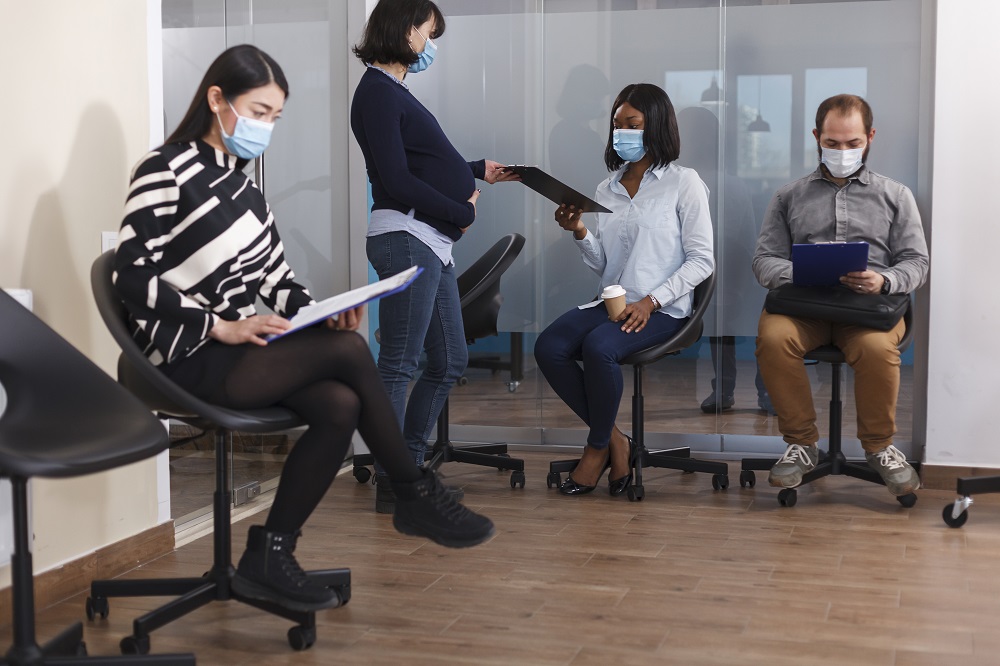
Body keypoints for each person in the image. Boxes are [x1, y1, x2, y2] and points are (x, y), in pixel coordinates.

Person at [113, 44, 495, 613]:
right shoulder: (164, 170)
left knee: (340, 403)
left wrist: (321, 308)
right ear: (217, 100)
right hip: (186, 354)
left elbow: (276, 277)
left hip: (243, 352)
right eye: (258, 111)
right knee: (347, 353)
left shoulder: (245, 191)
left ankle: (270, 551)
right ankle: (412, 489)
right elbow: (128, 275)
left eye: (274, 117)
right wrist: (218, 325)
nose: (265, 127)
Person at [350, 0, 517, 513]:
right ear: (404, 32)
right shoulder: (377, 94)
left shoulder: (393, 93)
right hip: (407, 236)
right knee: (400, 362)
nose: (430, 45)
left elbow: (418, 161)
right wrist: (460, 211)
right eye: (427, 33)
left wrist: (470, 169)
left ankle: (410, 468)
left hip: (428, 241)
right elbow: (396, 180)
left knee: (449, 360)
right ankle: (397, 483)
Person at [534, 83, 714, 497]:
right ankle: (618, 440)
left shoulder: (684, 184)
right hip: (612, 299)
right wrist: (579, 230)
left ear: (656, 127)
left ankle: (596, 449)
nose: (622, 133)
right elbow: (605, 264)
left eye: (632, 124)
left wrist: (652, 301)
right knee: (549, 346)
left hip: (663, 308)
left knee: (600, 347)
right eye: (617, 125)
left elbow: (703, 261)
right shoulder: (606, 189)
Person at [753, 94, 929, 495]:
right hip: (803, 307)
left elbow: (917, 262)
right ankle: (801, 444)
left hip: (869, 309)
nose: (843, 151)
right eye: (832, 143)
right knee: (774, 338)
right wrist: (803, 272)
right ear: (817, 137)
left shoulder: (896, 196)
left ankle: (879, 446)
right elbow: (763, 261)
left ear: (870, 137)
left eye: (852, 143)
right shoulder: (788, 196)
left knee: (875, 350)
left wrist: (882, 281)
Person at [675, 106, 773, 415]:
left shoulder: (715, 184)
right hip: (718, 275)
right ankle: (756, 392)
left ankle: (735, 390)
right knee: (726, 328)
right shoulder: (721, 183)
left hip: (727, 274)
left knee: (727, 326)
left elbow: (731, 243)